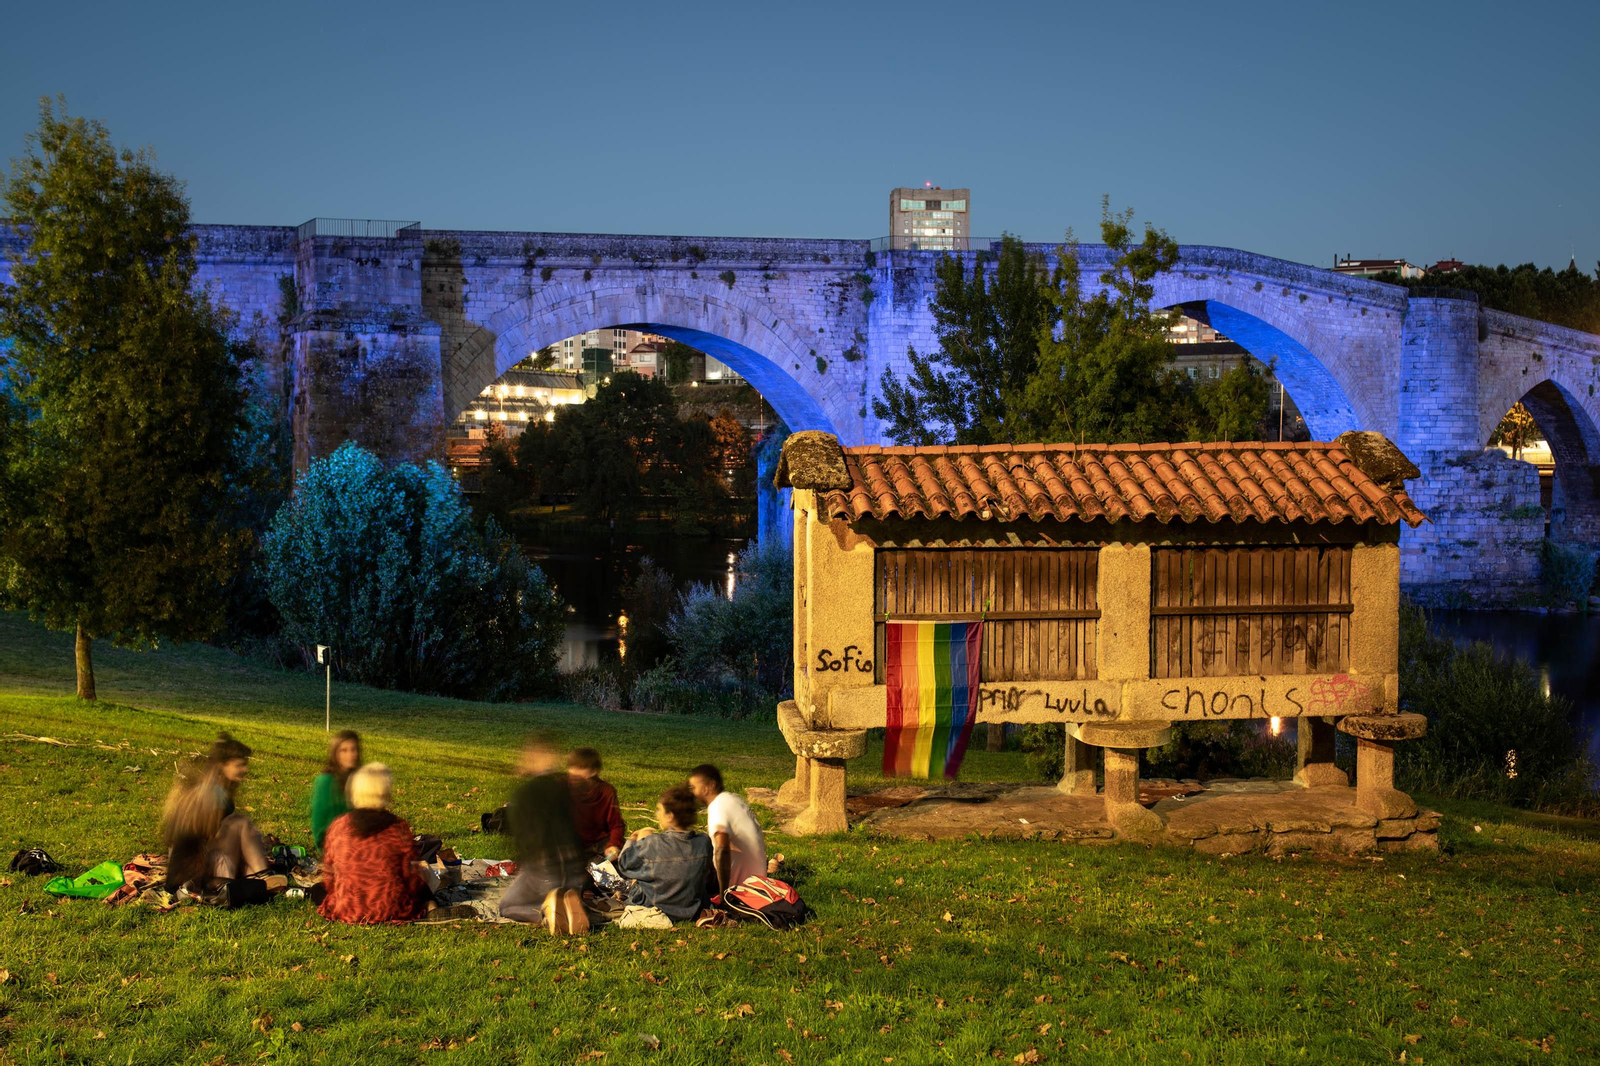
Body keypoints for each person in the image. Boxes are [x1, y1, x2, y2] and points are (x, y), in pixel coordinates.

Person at [317, 763, 433, 925]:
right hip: (390, 908)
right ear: (385, 792)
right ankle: (432, 906)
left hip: (348, 907)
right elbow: (409, 874)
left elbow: (329, 873)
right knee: (424, 877)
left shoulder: (339, 826)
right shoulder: (397, 827)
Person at [498, 734, 589, 934]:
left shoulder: (526, 793)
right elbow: (577, 827)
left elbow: (526, 837)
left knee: (507, 905)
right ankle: (569, 901)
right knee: (554, 887)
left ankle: (547, 915)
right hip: (574, 868)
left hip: (545, 869)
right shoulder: (564, 789)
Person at [161, 733, 269, 891]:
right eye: (240, 765)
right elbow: (208, 840)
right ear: (222, 765)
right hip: (192, 875)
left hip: (182, 874)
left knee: (249, 865)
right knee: (240, 823)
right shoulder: (215, 792)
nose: (245, 769)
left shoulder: (205, 787)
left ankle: (262, 881)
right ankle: (265, 875)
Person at [613, 786, 711, 921]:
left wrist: (635, 839)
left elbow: (625, 865)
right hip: (692, 909)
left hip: (656, 906)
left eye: (659, 810)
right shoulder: (704, 842)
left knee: (639, 879)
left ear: (670, 815)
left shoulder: (653, 843)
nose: (657, 814)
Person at [689, 763, 767, 895]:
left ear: (710, 786)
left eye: (694, 787)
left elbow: (722, 848)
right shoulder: (733, 799)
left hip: (741, 890)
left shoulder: (717, 806)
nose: (692, 792)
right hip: (758, 882)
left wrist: (723, 893)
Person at [567, 747, 624, 861]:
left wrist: (613, 845)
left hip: (597, 845)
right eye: (572, 767)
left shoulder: (606, 791)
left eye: (581, 768)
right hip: (567, 845)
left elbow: (616, 825)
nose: (574, 772)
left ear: (593, 771)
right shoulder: (562, 788)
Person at [310, 729, 361, 851]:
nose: (351, 755)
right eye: (344, 750)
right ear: (335, 754)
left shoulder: (360, 778)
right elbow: (319, 822)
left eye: (354, 749)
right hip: (335, 847)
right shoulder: (326, 781)